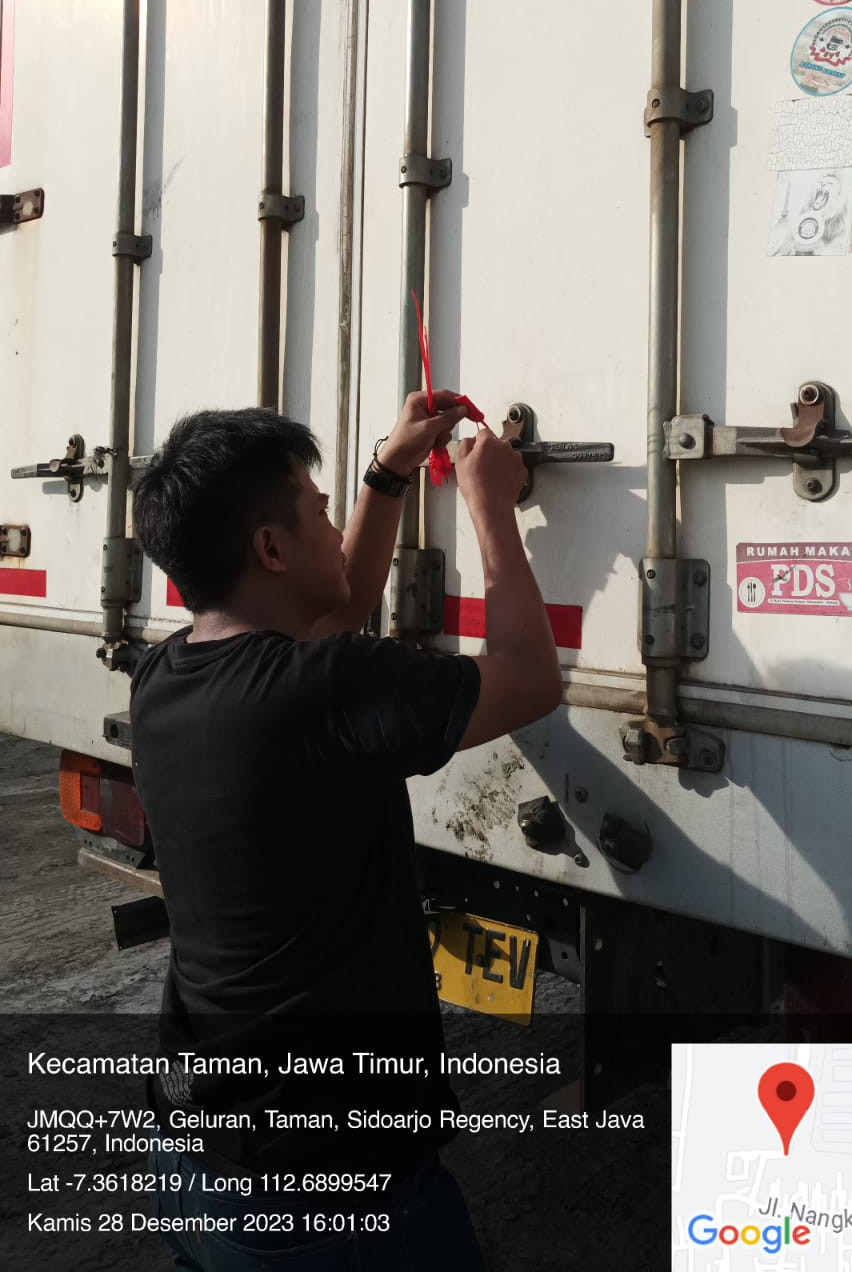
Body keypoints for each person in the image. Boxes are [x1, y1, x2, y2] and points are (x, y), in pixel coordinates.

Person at [129, 390, 562, 1271]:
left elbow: (333, 614)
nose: (335, 530)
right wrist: (490, 507)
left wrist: (388, 473)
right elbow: (528, 679)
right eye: (321, 513)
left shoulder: (166, 673)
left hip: (202, 1154)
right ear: (271, 549)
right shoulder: (323, 688)